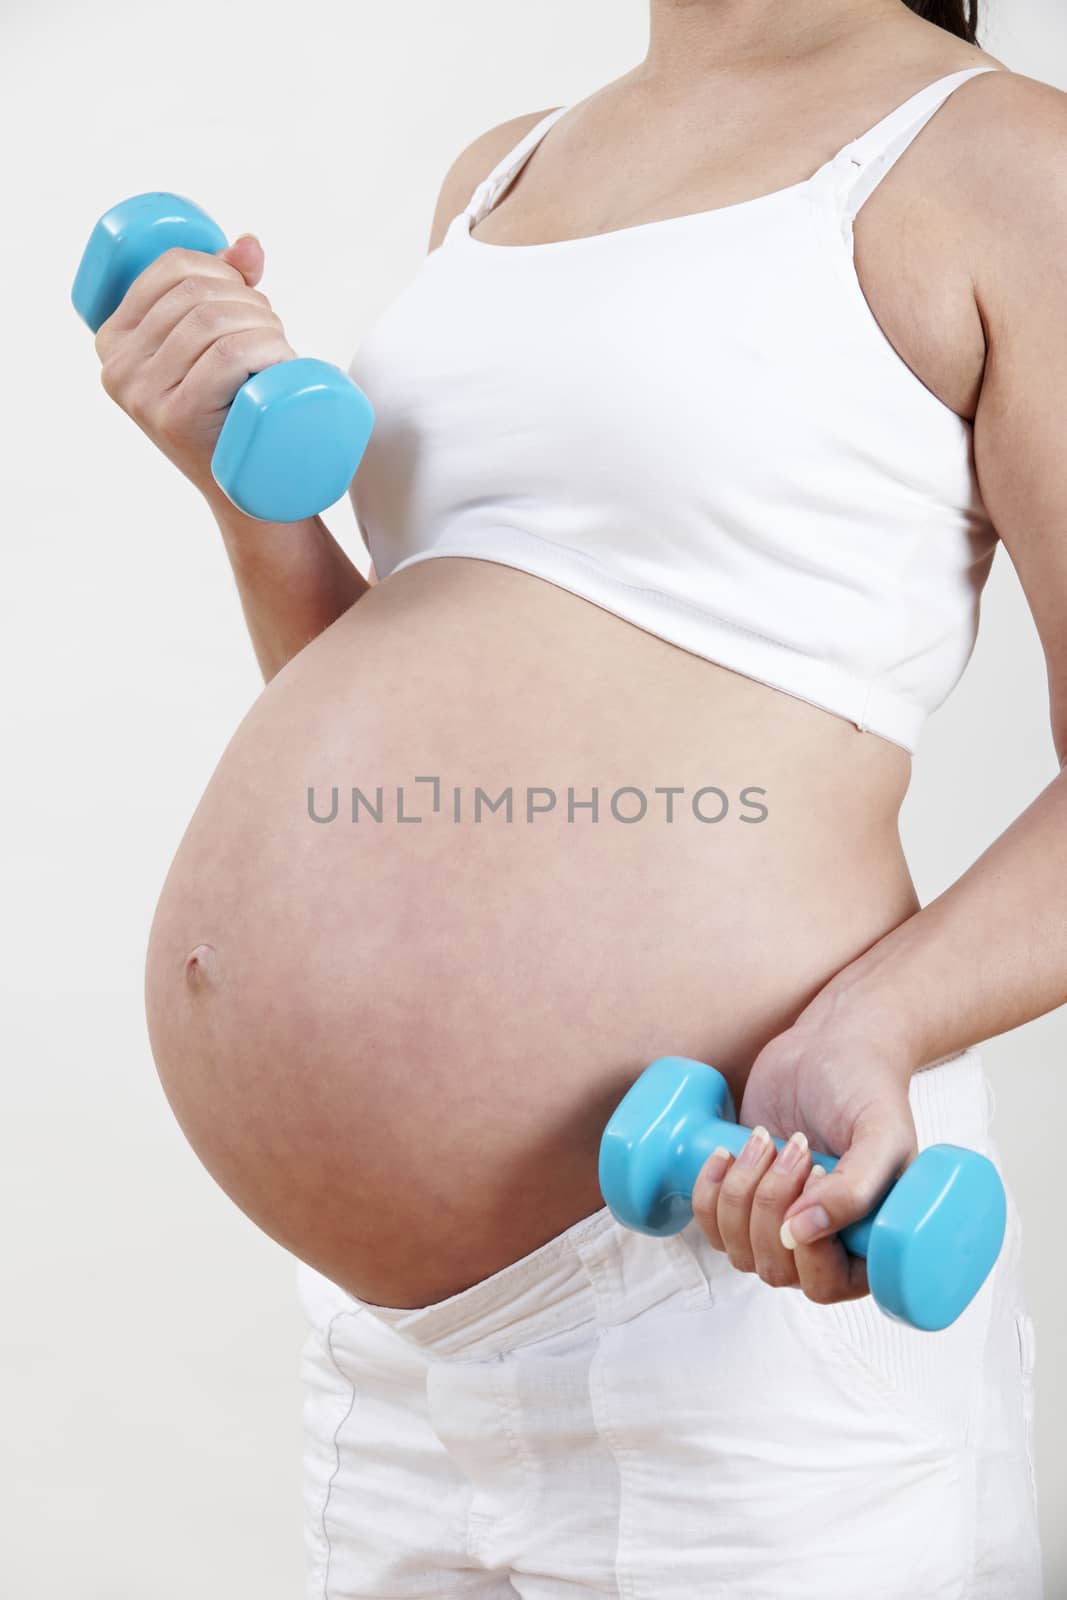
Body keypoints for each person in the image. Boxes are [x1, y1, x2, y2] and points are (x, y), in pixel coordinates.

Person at [92, 0, 1057, 1592]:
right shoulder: (503, 173)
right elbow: (414, 718)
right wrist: (236, 484)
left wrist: (870, 1026)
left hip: (732, 1296)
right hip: (402, 1363)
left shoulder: (1003, 159)